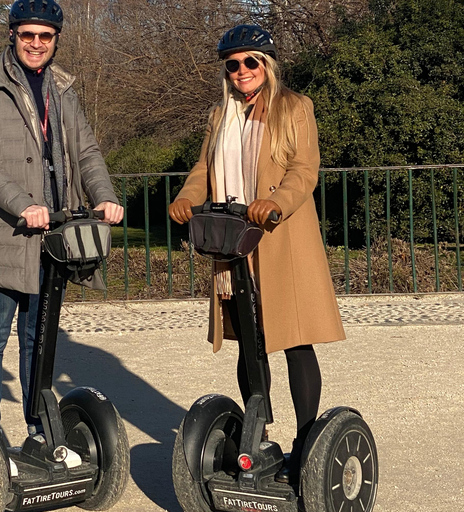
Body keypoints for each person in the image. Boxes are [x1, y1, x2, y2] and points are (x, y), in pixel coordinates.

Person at [168, 24, 345, 484]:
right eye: (233, 64)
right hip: (233, 243)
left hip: (279, 238)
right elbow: (204, 168)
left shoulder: (294, 107)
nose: (242, 71)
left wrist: (276, 203)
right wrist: (186, 197)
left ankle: (308, 446)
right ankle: (258, 437)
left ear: (266, 64)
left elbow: (304, 169)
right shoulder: (220, 114)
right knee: (249, 339)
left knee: (294, 339)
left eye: (250, 62)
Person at [0, 0, 124, 436]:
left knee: (39, 340)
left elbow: (86, 153)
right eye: (27, 34)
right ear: (12, 34)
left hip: (55, 234)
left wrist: (104, 197)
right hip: (4, 233)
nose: (36, 43)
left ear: (55, 40)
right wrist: (21, 204)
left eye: (44, 36)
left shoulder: (63, 91)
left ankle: (38, 430)